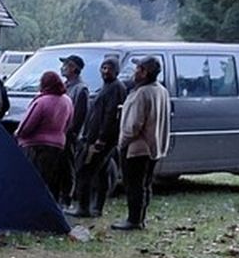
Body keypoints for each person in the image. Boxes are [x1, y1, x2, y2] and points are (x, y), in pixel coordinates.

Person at [112, 55, 171, 231]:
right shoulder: (161, 90)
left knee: (134, 185)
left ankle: (133, 220)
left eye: (138, 68)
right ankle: (140, 218)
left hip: (137, 148)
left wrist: (122, 142)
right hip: (154, 147)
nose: (134, 71)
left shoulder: (142, 93)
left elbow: (134, 125)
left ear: (145, 73)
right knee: (145, 184)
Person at [67, 56, 128, 218]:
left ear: (116, 71)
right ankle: (96, 207)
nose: (105, 71)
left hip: (101, 141)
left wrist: (101, 138)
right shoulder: (106, 87)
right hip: (95, 138)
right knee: (102, 172)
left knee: (84, 170)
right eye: (103, 68)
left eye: (109, 68)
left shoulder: (116, 88)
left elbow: (111, 116)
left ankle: (84, 207)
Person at [14, 70, 74, 190]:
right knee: (50, 180)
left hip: (36, 146)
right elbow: (69, 122)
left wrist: (17, 134)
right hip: (58, 144)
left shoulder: (42, 102)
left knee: (33, 179)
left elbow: (27, 125)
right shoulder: (67, 101)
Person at [59, 54, 90, 203]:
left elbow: (79, 115)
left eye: (66, 65)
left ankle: (68, 197)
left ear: (73, 68)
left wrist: (70, 133)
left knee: (68, 167)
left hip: (70, 136)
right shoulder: (66, 86)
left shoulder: (81, 89)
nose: (63, 68)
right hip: (60, 134)